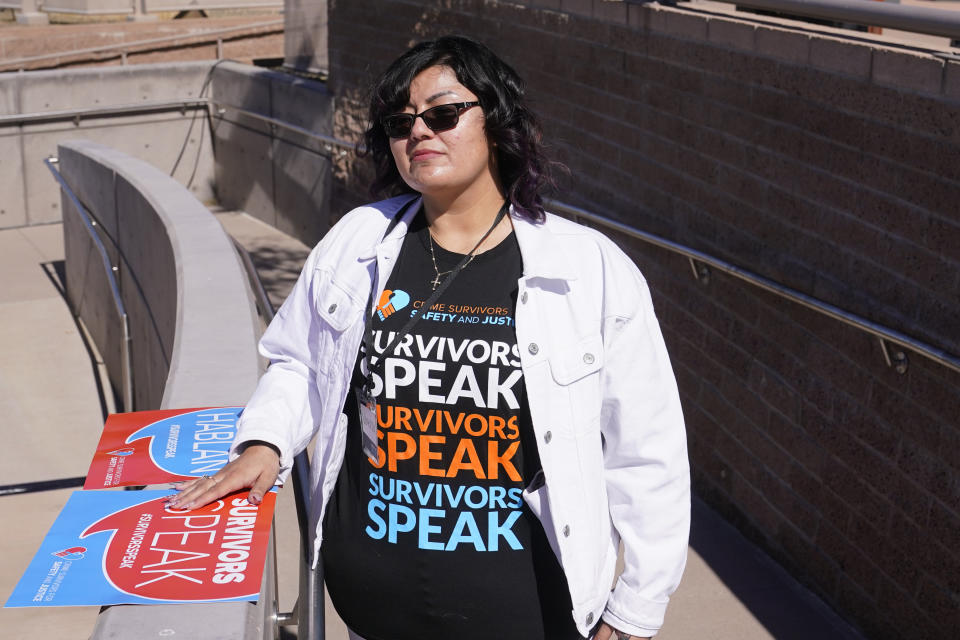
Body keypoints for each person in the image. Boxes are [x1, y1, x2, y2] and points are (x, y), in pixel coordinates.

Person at [169, 35, 690, 640]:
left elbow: (647, 452)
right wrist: (265, 442)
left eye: (443, 114)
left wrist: (632, 617)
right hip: (373, 611)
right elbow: (300, 363)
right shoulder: (357, 242)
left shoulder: (589, 271)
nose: (418, 132)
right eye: (400, 121)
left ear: (497, 121)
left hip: (527, 614)